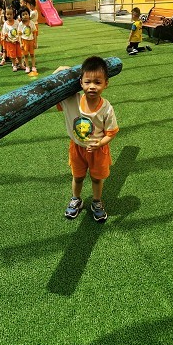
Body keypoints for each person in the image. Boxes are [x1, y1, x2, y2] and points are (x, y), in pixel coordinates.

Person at [55, 56, 119, 222]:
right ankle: (76, 199)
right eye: (87, 82)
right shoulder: (72, 100)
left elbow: (111, 132)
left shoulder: (106, 108)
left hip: (98, 151)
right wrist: (61, 72)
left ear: (106, 84)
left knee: (97, 179)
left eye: (97, 82)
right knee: (77, 177)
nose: (92, 86)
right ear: (81, 83)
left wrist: (100, 143)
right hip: (77, 148)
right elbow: (53, 86)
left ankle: (96, 202)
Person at [0, 7, 23, 71]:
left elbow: (19, 31)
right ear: (5, 15)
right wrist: (11, 40)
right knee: (12, 55)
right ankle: (14, 65)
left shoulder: (17, 22)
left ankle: (21, 64)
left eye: (11, 14)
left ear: (14, 14)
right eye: (7, 14)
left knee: (19, 53)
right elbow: (5, 34)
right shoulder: (5, 24)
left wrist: (18, 38)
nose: (9, 16)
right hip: (10, 42)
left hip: (17, 41)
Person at [18, 8, 37, 74]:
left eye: (26, 14)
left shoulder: (32, 23)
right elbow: (19, 34)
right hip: (24, 41)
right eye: (23, 15)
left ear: (29, 14)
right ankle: (27, 67)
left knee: (32, 54)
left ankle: (33, 66)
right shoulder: (20, 24)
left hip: (31, 41)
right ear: (21, 16)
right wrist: (20, 43)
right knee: (25, 55)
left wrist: (35, 42)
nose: (25, 16)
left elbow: (34, 33)